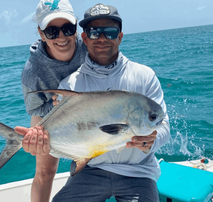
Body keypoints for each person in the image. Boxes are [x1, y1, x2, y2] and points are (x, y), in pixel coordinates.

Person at [16, 3, 170, 202]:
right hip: (90, 170)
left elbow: (164, 125)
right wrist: (39, 141)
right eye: (95, 33)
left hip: (138, 172)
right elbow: (46, 114)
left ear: (120, 37)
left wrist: (153, 140)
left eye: (110, 32)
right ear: (85, 38)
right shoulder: (68, 84)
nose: (103, 38)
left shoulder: (144, 76)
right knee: (47, 177)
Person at [18, 0, 87, 201]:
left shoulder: (89, 47)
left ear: (76, 25)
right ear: (41, 33)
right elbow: (35, 109)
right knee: (45, 171)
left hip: (88, 111)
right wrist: (58, 103)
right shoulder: (32, 71)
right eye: (52, 32)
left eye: (67, 28)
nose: (62, 37)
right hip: (50, 113)